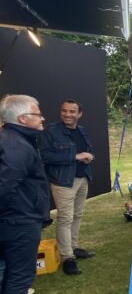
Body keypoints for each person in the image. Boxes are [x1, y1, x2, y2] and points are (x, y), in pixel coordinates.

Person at [0, 95, 55, 294]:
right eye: (37, 113)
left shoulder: (14, 139)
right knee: (19, 274)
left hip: (15, 218)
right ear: (23, 118)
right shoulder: (16, 146)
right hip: (18, 221)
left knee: (10, 273)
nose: (42, 117)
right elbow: (5, 186)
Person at [39, 99, 95, 276]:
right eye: (64, 111)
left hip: (82, 178)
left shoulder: (82, 130)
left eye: (72, 111)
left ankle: (74, 246)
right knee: (65, 218)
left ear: (79, 114)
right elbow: (45, 156)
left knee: (77, 215)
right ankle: (67, 258)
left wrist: (89, 156)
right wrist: (76, 156)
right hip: (63, 182)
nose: (68, 114)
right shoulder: (51, 131)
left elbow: (87, 150)